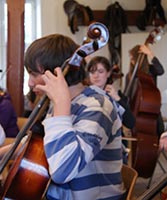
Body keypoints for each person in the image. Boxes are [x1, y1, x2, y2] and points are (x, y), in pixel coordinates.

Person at [24, 34, 126, 199]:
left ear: (56, 73)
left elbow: (62, 171)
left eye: (33, 73)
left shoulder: (97, 107)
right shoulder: (60, 105)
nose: (30, 82)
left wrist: (61, 103)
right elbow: (38, 146)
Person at [86, 56, 135, 163]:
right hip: (89, 146)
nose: (96, 76)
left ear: (108, 73)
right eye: (92, 72)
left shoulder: (118, 96)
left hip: (113, 146)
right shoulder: (84, 96)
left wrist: (116, 98)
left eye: (100, 71)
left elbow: (130, 122)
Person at [128, 44, 165, 136]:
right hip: (135, 112)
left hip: (151, 110)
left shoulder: (151, 70)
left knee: (159, 130)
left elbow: (161, 70)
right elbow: (128, 96)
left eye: (133, 58)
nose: (131, 61)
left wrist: (150, 53)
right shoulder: (130, 75)